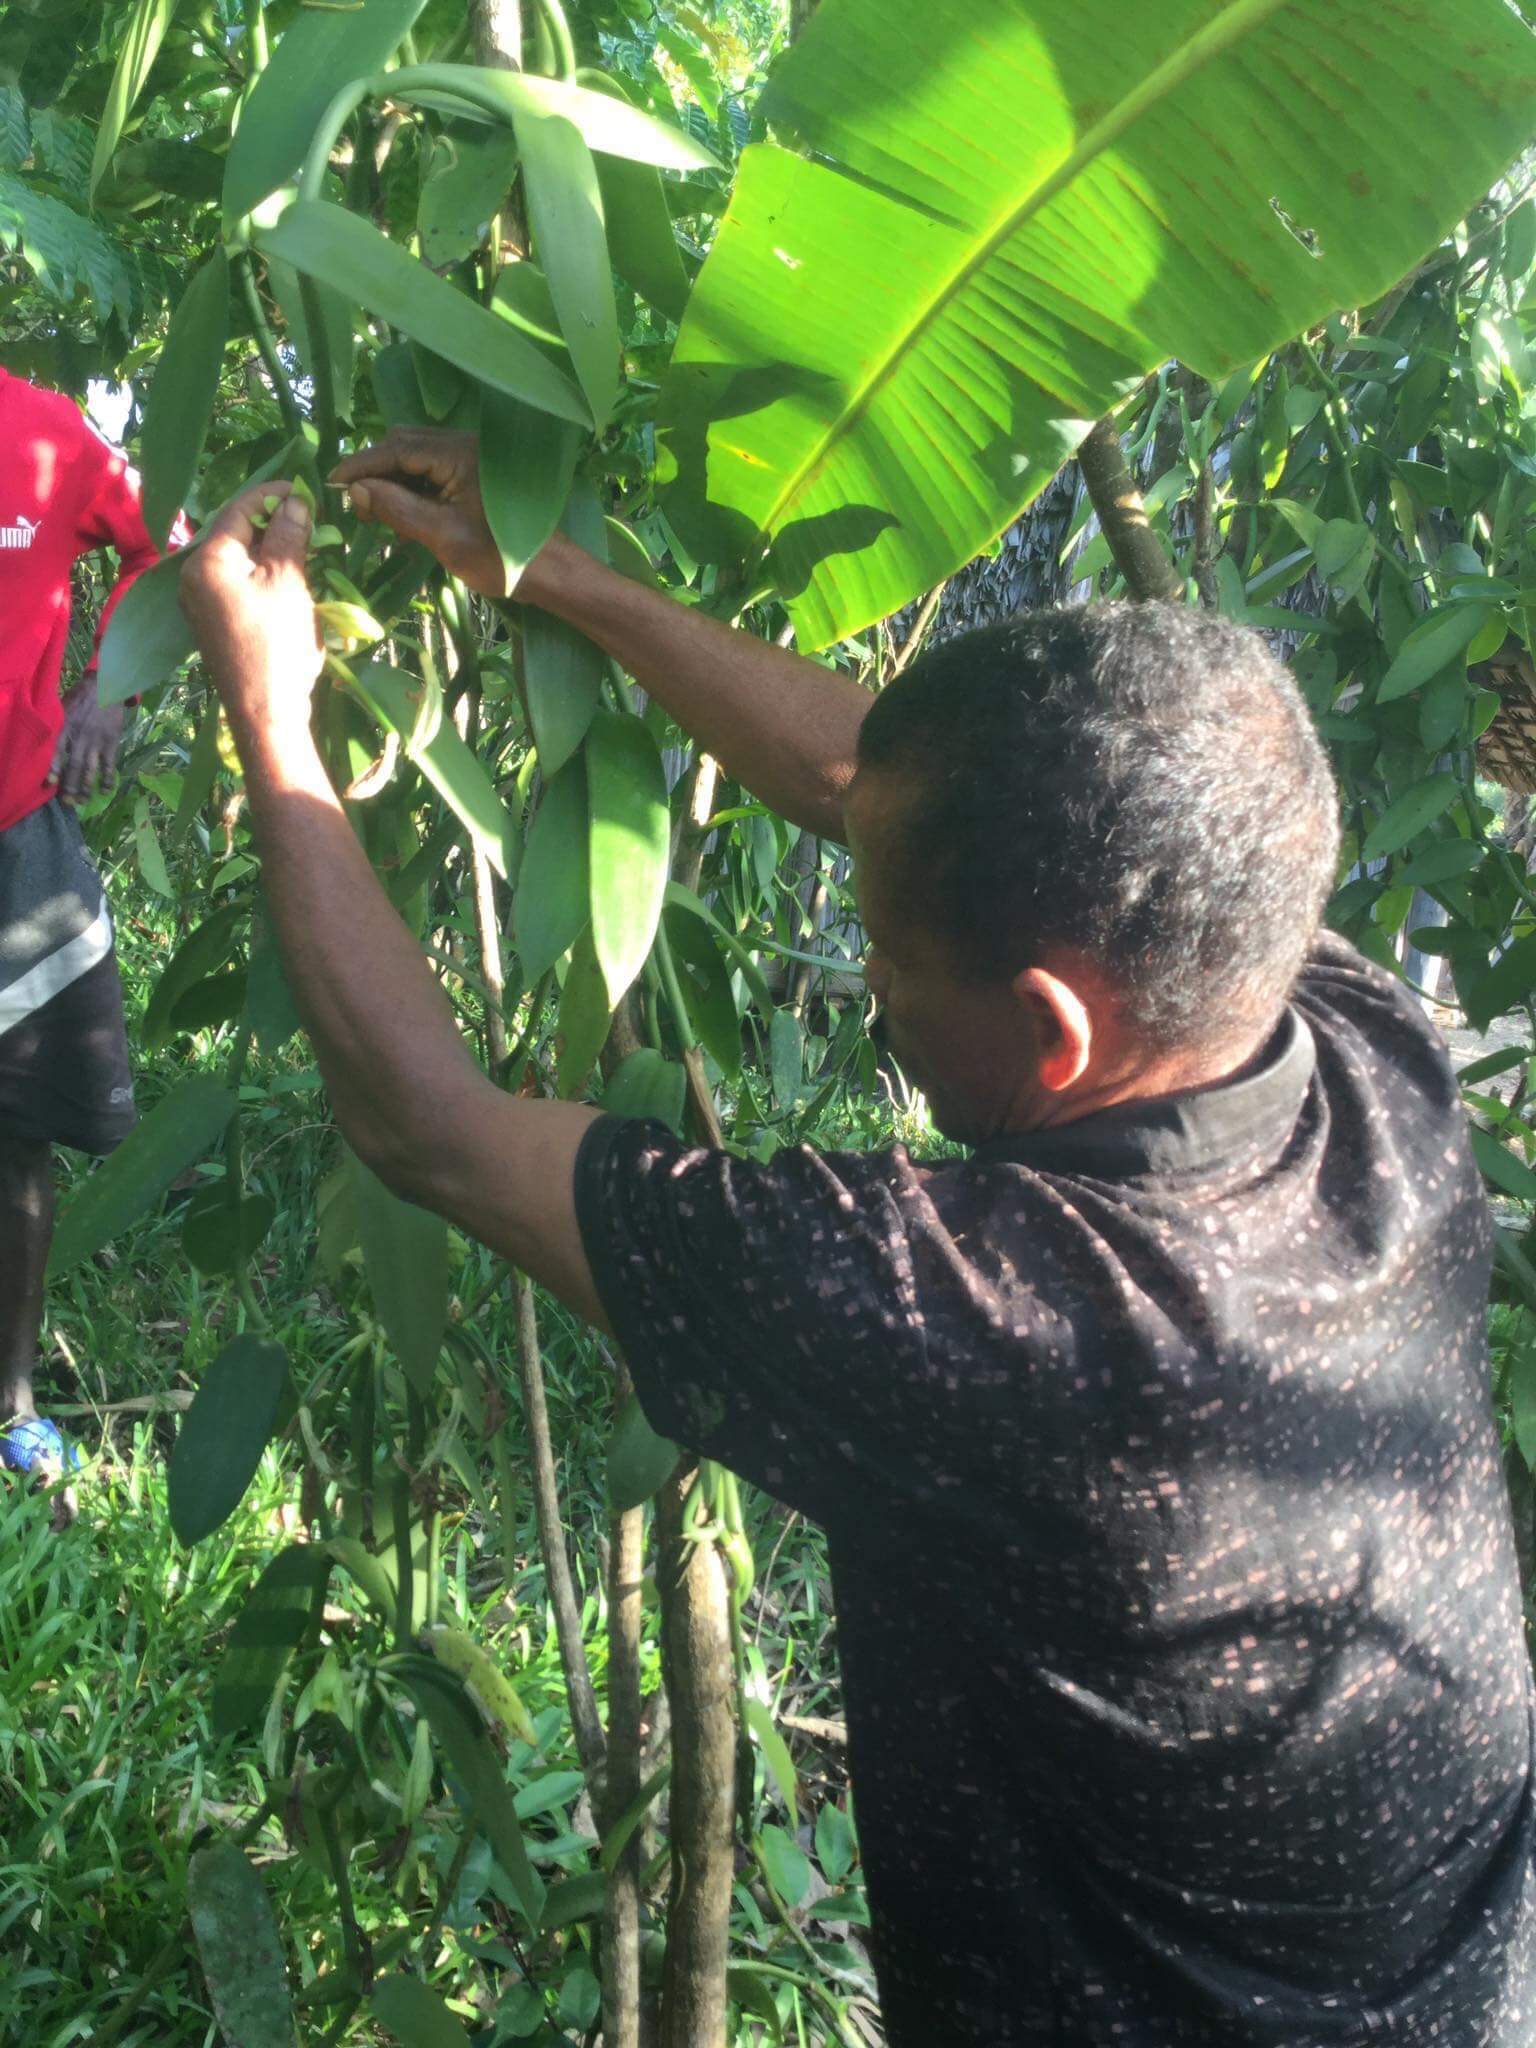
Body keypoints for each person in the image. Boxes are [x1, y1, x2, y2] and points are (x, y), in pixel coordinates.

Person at [179, 432, 1536, 2047]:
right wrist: (551, 569)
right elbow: (862, 783)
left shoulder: (984, 1316)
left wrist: (270, 713)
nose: (875, 982)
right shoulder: (1365, 1056)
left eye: (886, 950)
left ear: (1050, 1026)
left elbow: (437, 1127)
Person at [0, 371, 171, 1500]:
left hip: (16, 838)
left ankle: (10, 1400)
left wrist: (114, 681)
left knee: (15, 1132)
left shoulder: (47, 431)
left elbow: (169, 545)